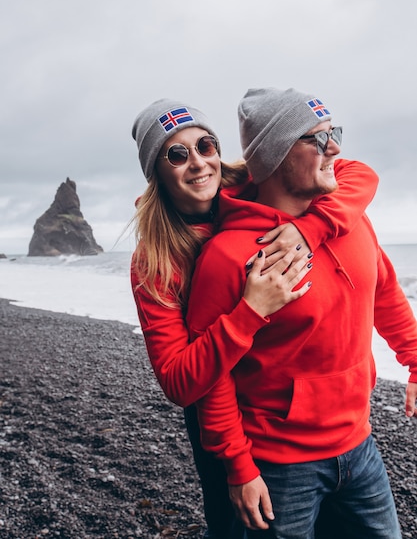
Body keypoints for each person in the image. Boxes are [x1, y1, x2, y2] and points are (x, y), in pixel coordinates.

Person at [130, 97, 380, 539]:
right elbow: (178, 380)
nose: (198, 164)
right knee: (233, 519)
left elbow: (358, 174)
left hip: (283, 397)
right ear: (157, 171)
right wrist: (250, 312)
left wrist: (312, 228)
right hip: (217, 395)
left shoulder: (246, 182)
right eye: (176, 154)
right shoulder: (156, 260)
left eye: (205, 146)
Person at [186, 87, 417, 539]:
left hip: (360, 446)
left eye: (334, 133)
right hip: (277, 468)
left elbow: (384, 293)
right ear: (273, 157)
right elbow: (213, 376)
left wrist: (415, 358)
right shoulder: (227, 256)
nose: (335, 148)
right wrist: (238, 467)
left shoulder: (350, 220)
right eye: (316, 139)